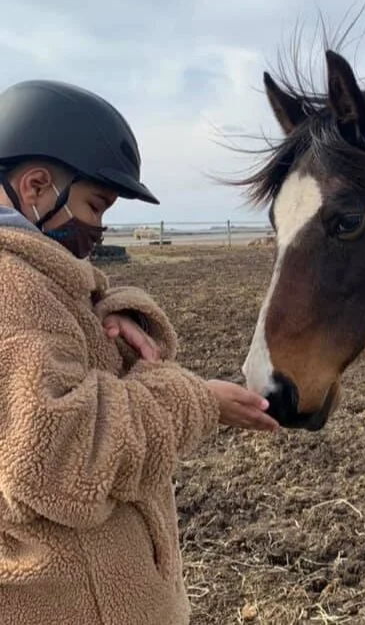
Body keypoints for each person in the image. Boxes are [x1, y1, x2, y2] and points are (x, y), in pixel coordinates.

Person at [0, 79, 279, 625]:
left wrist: (104, 309)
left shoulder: (34, 280)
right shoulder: (11, 289)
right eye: (95, 206)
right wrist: (193, 400)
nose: (99, 229)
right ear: (36, 186)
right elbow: (60, 457)